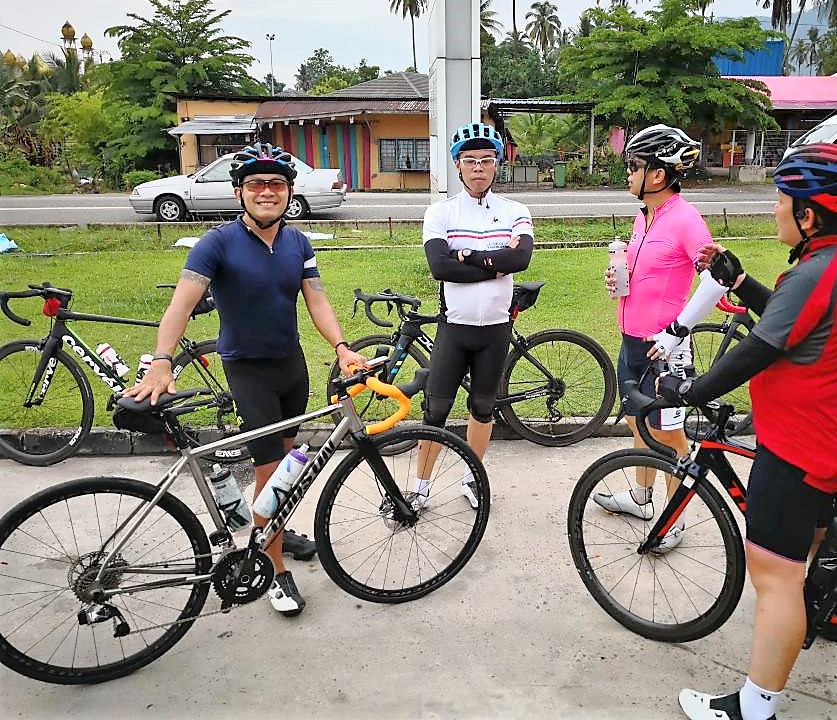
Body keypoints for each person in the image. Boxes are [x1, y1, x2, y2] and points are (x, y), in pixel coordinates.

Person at [656, 142, 837, 720]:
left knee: (775, 577)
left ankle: (754, 708)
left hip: (797, 446)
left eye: (781, 201)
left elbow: (758, 349)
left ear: (808, 215)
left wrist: (686, 390)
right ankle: (822, 601)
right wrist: (739, 281)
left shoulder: (814, 274)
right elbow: (793, 322)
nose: (775, 209)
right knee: (803, 556)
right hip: (833, 437)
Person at [125, 143, 367, 618]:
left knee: (289, 466)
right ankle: (274, 570)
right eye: (255, 184)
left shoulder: (298, 244)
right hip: (248, 370)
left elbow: (316, 300)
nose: (266, 192)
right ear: (239, 192)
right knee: (270, 472)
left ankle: (274, 528)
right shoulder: (217, 243)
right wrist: (161, 360)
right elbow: (180, 305)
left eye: (276, 183)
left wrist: (342, 347)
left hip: (291, 367)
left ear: (289, 192)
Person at [596, 124, 717, 552]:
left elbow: (717, 280)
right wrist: (618, 278)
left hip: (665, 347)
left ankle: (674, 518)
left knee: (670, 435)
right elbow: (645, 271)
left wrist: (677, 331)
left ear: (658, 175)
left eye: (634, 166)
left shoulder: (685, 219)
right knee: (637, 420)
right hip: (633, 339)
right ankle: (641, 496)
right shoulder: (643, 215)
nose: (628, 173)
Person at [414, 122, 534, 508]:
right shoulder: (440, 212)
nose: (478, 166)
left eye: (486, 159)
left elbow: (521, 258)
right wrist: (495, 266)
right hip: (455, 328)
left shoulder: (515, 210)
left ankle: (473, 477)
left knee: (483, 408)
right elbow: (440, 267)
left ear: (497, 164)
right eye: (469, 160)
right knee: (435, 410)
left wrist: (467, 256)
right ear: (457, 165)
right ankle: (419, 487)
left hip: (496, 330)